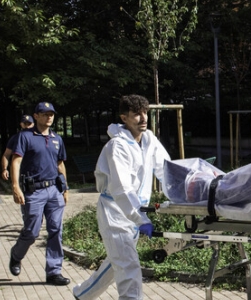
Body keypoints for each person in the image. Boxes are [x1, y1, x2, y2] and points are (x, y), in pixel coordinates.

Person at [73, 95, 171, 300]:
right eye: (136, 114)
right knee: (128, 268)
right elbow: (122, 189)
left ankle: (82, 294)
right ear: (124, 118)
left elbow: (165, 169)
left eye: (145, 112)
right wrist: (141, 219)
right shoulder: (117, 147)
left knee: (116, 262)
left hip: (135, 212)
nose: (143, 118)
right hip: (115, 212)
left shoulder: (149, 139)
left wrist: (183, 192)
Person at [8, 102, 70, 286]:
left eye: (51, 114)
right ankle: (16, 254)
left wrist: (65, 188)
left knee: (56, 230)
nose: (49, 117)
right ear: (36, 116)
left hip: (54, 191)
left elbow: (60, 164)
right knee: (31, 232)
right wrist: (15, 187)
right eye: (44, 114)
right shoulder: (25, 137)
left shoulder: (56, 138)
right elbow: (16, 161)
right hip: (33, 191)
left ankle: (53, 272)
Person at [1, 115, 34, 180]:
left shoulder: (38, 138)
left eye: (29, 124)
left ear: (33, 124)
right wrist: (4, 169)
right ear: (21, 124)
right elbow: (6, 155)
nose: (27, 126)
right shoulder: (14, 138)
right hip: (20, 173)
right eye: (25, 124)